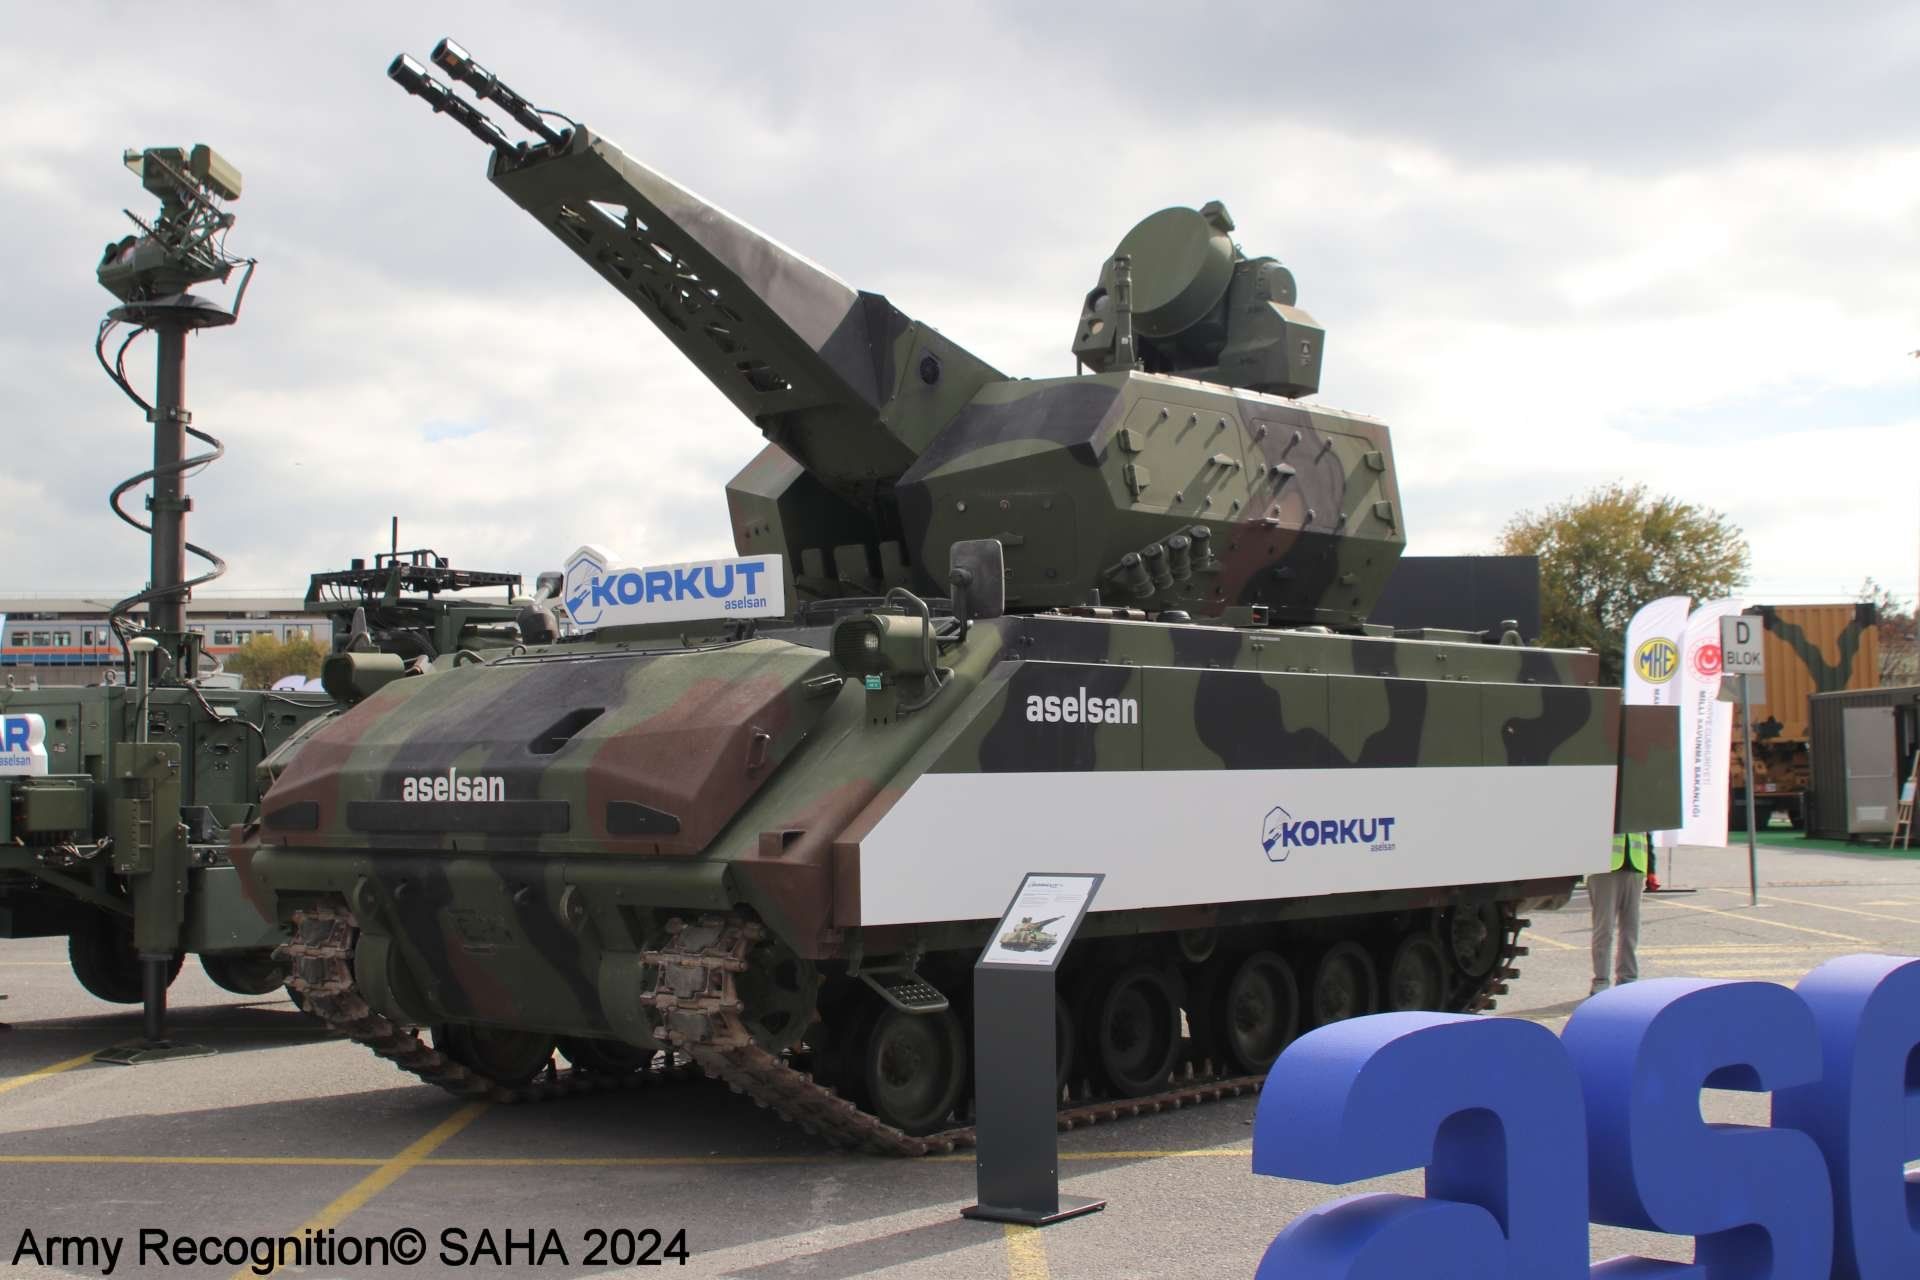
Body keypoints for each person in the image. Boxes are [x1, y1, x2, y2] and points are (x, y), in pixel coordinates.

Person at [1590, 831, 1647, 994]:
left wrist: (1651, 869)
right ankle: (1601, 981)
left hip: (1635, 866)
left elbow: (1647, 834)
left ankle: (1628, 980)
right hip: (1603, 867)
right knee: (1604, 929)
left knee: (1631, 929)